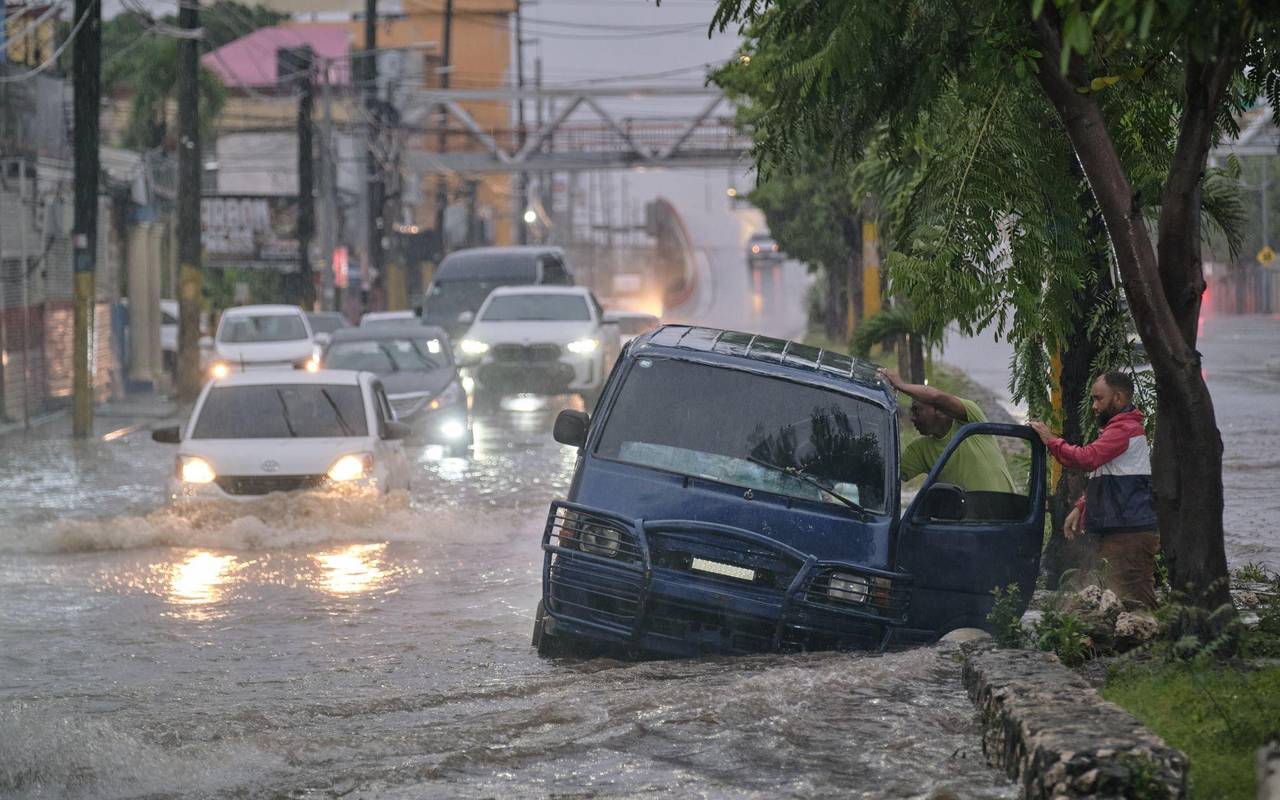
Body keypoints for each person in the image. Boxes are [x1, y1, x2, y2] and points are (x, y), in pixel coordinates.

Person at [1029, 371, 1159, 609]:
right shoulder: (1119, 429)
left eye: (1098, 399)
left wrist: (1050, 440)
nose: (1093, 406)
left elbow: (1087, 459)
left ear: (1118, 398)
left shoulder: (1124, 430)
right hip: (1122, 531)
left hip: (1129, 534)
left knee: (1137, 603)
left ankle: (1159, 643)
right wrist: (1081, 507)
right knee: (1122, 602)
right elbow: (1108, 476)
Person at [879, 369, 1016, 493]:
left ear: (939, 410)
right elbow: (888, 474)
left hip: (1006, 515)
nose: (912, 418)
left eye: (917, 410)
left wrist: (901, 385)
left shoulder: (971, 419)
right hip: (969, 520)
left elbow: (937, 397)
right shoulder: (920, 450)